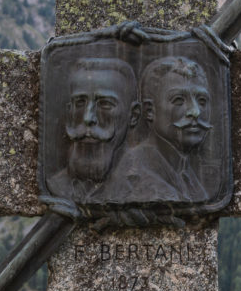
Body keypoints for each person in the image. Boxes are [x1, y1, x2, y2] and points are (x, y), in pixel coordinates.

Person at [47, 57, 140, 204]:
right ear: (69, 110)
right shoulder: (54, 184)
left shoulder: (150, 183)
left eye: (105, 104)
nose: (88, 118)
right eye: (80, 103)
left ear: (133, 115)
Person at [122, 56, 212, 203]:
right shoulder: (134, 173)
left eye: (202, 101)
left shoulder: (187, 174)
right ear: (149, 110)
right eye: (178, 100)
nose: (195, 111)